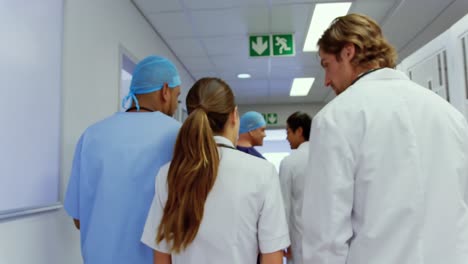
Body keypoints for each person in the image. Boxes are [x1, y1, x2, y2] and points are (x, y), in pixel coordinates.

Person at [301, 13, 468, 264]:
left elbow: (325, 237)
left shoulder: (335, 118)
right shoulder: (449, 114)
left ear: (348, 52)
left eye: (326, 65)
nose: (326, 80)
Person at [141, 77, 290, 264]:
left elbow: (162, 256)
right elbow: (272, 256)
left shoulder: (169, 174)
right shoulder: (263, 173)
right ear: (234, 116)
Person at [64, 55, 182, 264]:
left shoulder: (92, 135)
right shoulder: (179, 135)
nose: (175, 104)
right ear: (165, 91)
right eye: (177, 96)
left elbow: (78, 219)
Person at [278, 111, 311, 264]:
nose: (287, 137)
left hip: (299, 240)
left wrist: (284, 241)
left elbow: (284, 205)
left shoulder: (289, 163)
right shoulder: (326, 157)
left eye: (288, 132)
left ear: (299, 131)